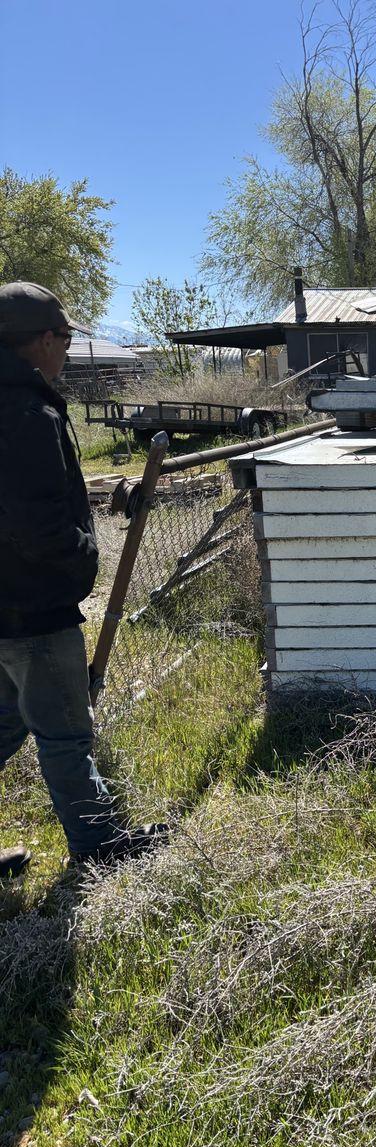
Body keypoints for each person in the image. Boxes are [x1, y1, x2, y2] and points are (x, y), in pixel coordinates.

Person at [0, 281, 165, 878]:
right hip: (31, 605)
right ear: (42, 340)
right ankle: (99, 847)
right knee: (66, 732)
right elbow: (35, 520)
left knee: (6, 720)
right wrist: (81, 563)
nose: (68, 350)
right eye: (65, 338)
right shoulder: (27, 412)